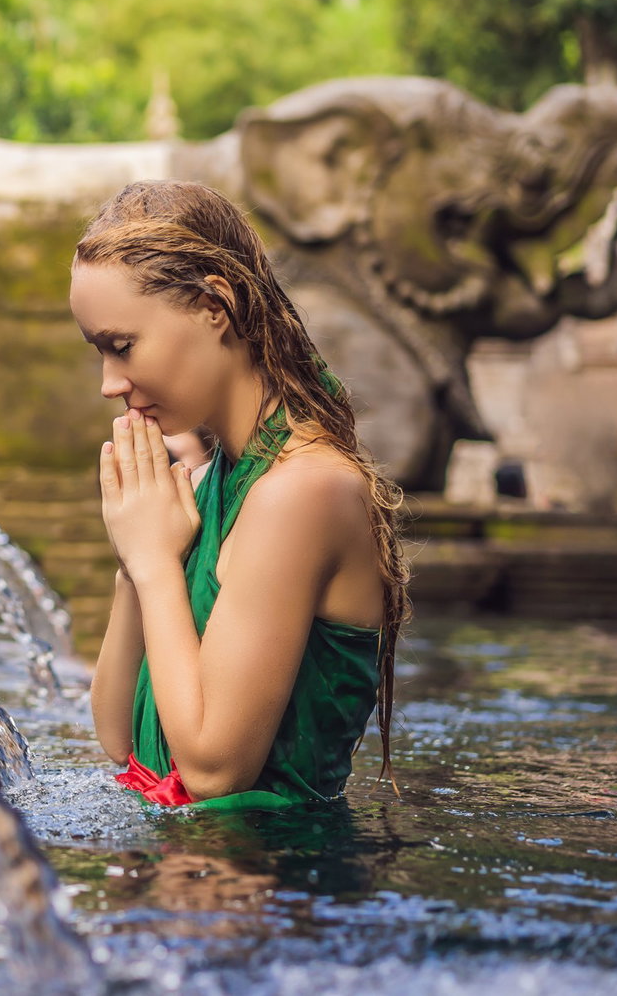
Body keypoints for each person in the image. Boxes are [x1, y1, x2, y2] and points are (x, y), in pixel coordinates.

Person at [70, 180, 409, 810]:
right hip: (189, 888)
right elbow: (120, 740)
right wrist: (134, 561)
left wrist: (154, 563)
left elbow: (212, 771)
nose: (109, 384)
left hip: (274, 890)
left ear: (213, 305)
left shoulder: (303, 492)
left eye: (122, 347)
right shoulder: (217, 483)